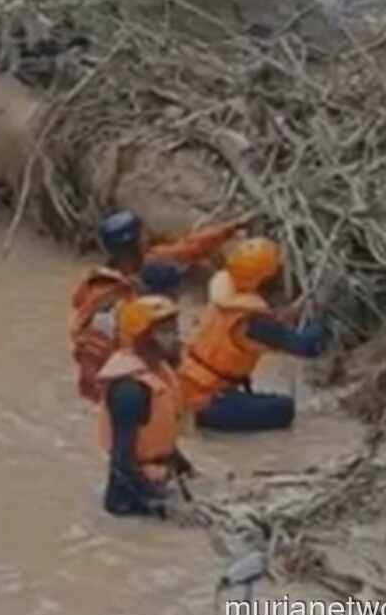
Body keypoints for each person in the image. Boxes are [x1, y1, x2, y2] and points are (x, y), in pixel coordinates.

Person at [68, 209, 252, 402]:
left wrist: (232, 228)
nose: (147, 239)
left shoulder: (149, 263)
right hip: (124, 378)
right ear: (131, 246)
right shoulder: (107, 297)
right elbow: (93, 350)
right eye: (142, 237)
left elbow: (191, 247)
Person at [177, 237, 329, 432]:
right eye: (278, 274)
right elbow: (309, 347)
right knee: (283, 408)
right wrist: (321, 314)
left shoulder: (227, 299)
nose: (282, 279)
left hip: (189, 387)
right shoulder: (254, 323)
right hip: (206, 401)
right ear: (264, 281)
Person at [94, 294, 194, 518]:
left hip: (158, 480)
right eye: (166, 333)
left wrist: (187, 471)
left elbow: (158, 438)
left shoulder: (158, 372)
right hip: (128, 501)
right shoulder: (130, 391)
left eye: (175, 331)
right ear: (142, 339)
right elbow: (122, 466)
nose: (177, 339)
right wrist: (164, 505)